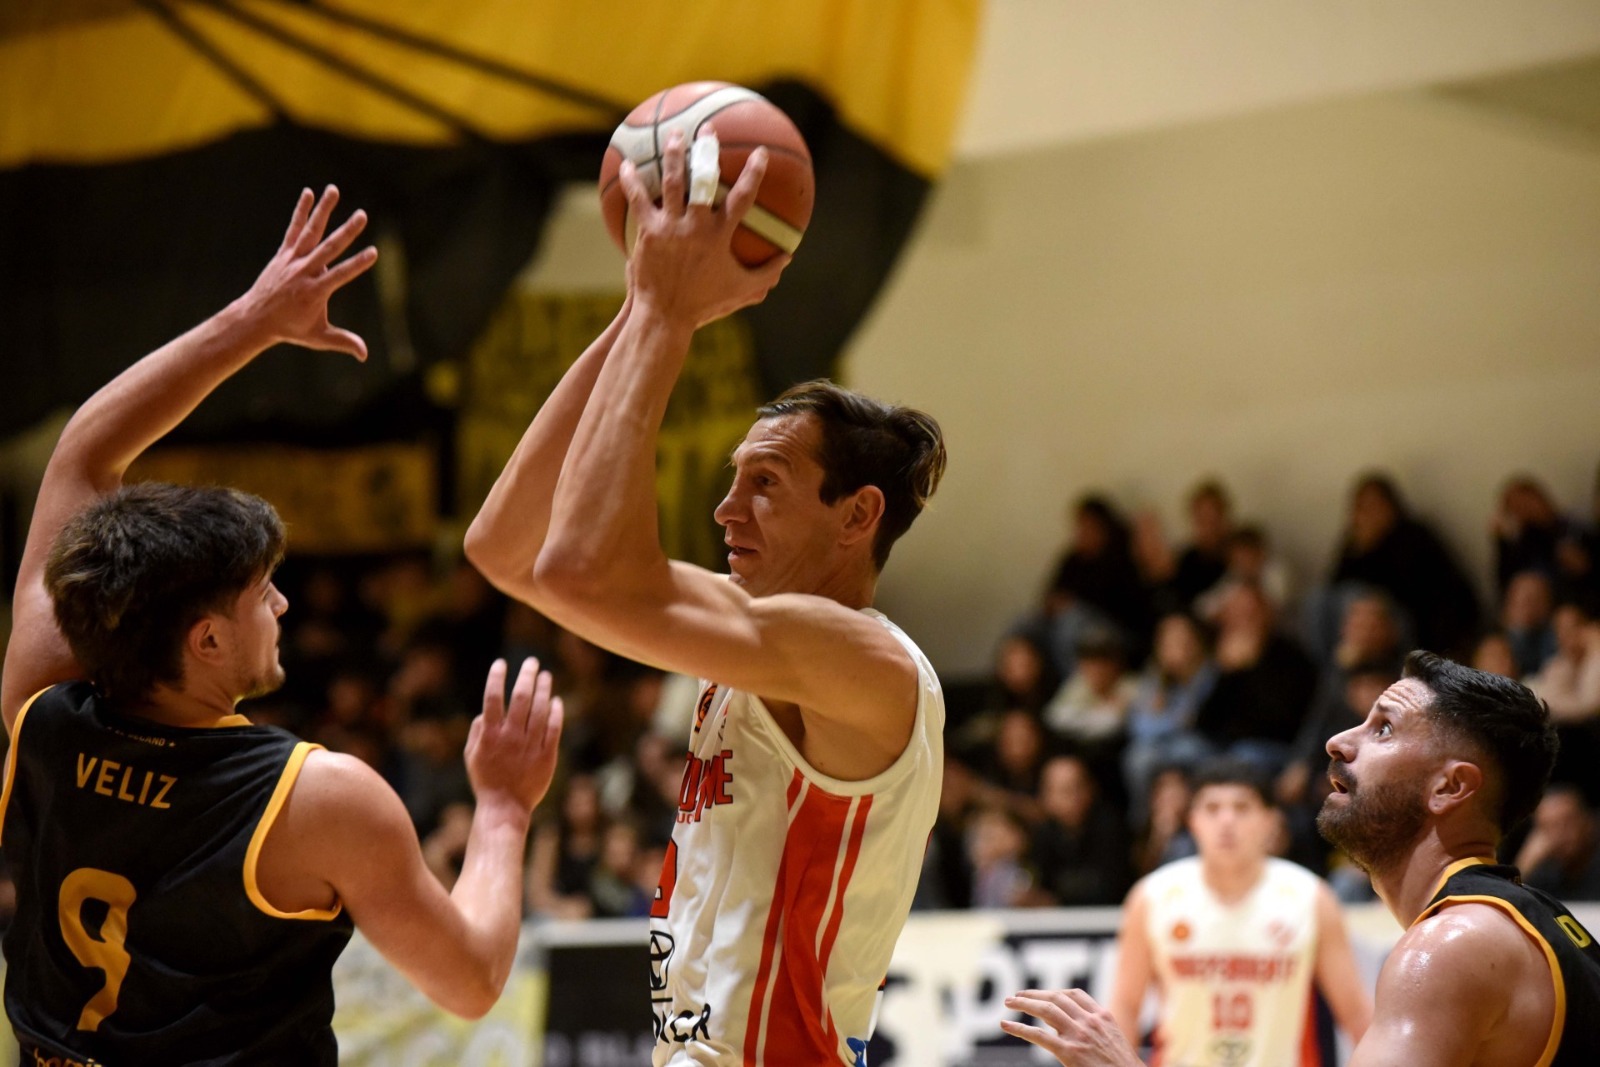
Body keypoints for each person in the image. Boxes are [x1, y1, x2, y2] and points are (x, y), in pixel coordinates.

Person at [0, 189, 564, 1065]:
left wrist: (253, 319)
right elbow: (472, 979)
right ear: (207, 641)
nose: (284, 606)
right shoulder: (319, 799)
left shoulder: (39, 709)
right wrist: (500, 809)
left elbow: (84, 453)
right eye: (264, 592)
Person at [464, 131, 947, 1066]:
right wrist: (636, 313)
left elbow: (578, 571)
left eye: (765, 481)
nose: (725, 509)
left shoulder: (862, 658)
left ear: (858, 516)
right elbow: (506, 547)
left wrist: (666, 316)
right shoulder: (751, 633)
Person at [1004, 652, 1600, 1067]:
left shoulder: (1450, 947)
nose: (1339, 741)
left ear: (1449, 788)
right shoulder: (1526, 924)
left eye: (1384, 728)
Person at [1100, 759, 1370, 1067]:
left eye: (1241, 808)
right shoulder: (1152, 897)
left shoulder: (1310, 897)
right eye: (1212, 809)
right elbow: (1125, 1006)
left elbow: (1356, 1015)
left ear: (1270, 820)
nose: (1226, 820)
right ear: (1193, 821)